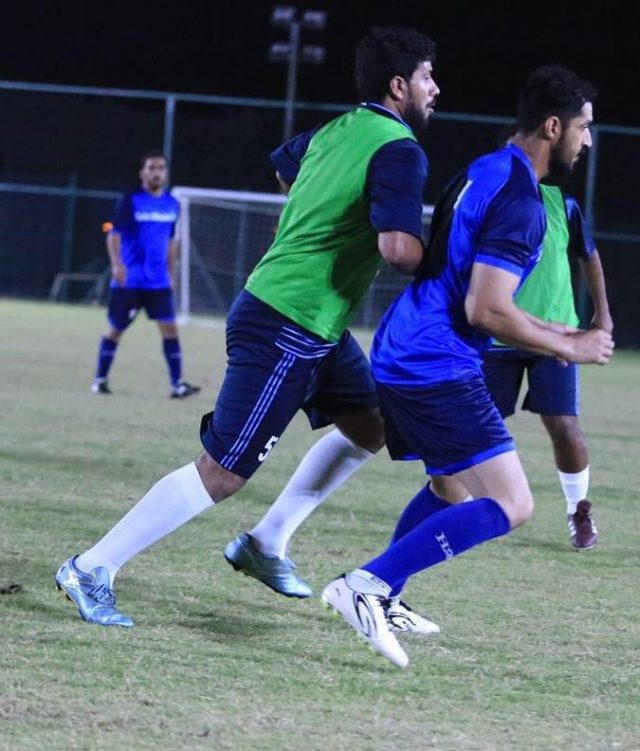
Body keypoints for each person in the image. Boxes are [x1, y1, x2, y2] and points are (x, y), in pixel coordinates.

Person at [55, 27, 440, 628]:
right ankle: (91, 567)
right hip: (288, 320)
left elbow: (285, 167)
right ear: (399, 86)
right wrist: (453, 268)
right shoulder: (400, 149)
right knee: (222, 472)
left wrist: (320, 212)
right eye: (426, 77)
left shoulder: (338, 130)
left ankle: (267, 542)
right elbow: (397, 248)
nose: (435, 88)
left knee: (372, 428)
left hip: (317, 325)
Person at [320, 65, 613, 668]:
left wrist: (559, 330)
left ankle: (386, 594)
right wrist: (569, 348)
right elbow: (486, 309)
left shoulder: (485, 169)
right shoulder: (523, 202)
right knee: (513, 504)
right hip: (436, 363)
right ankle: (366, 585)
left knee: (450, 486)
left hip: (406, 344)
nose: (586, 141)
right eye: (583, 128)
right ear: (553, 127)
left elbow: (462, 283)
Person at [483, 156, 612, 549]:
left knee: (564, 426)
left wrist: (602, 313)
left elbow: (589, 255)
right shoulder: (491, 201)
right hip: (499, 334)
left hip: (557, 337)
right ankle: (468, 501)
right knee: (480, 424)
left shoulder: (562, 204)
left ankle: (578, 510)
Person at [91, 151, 200, 399]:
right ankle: (100, 380)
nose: (156, 173)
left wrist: (171, 273)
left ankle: (177, 385)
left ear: (166, 173)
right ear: (142, 172)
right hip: (130, 280)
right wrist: (117, 265)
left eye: (160, 168)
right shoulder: (130, 200)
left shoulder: (172, 204)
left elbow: (171, 241)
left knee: (170, 329)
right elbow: (114, 235)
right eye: (151, 168)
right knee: (115, 329)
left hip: (158, 282)